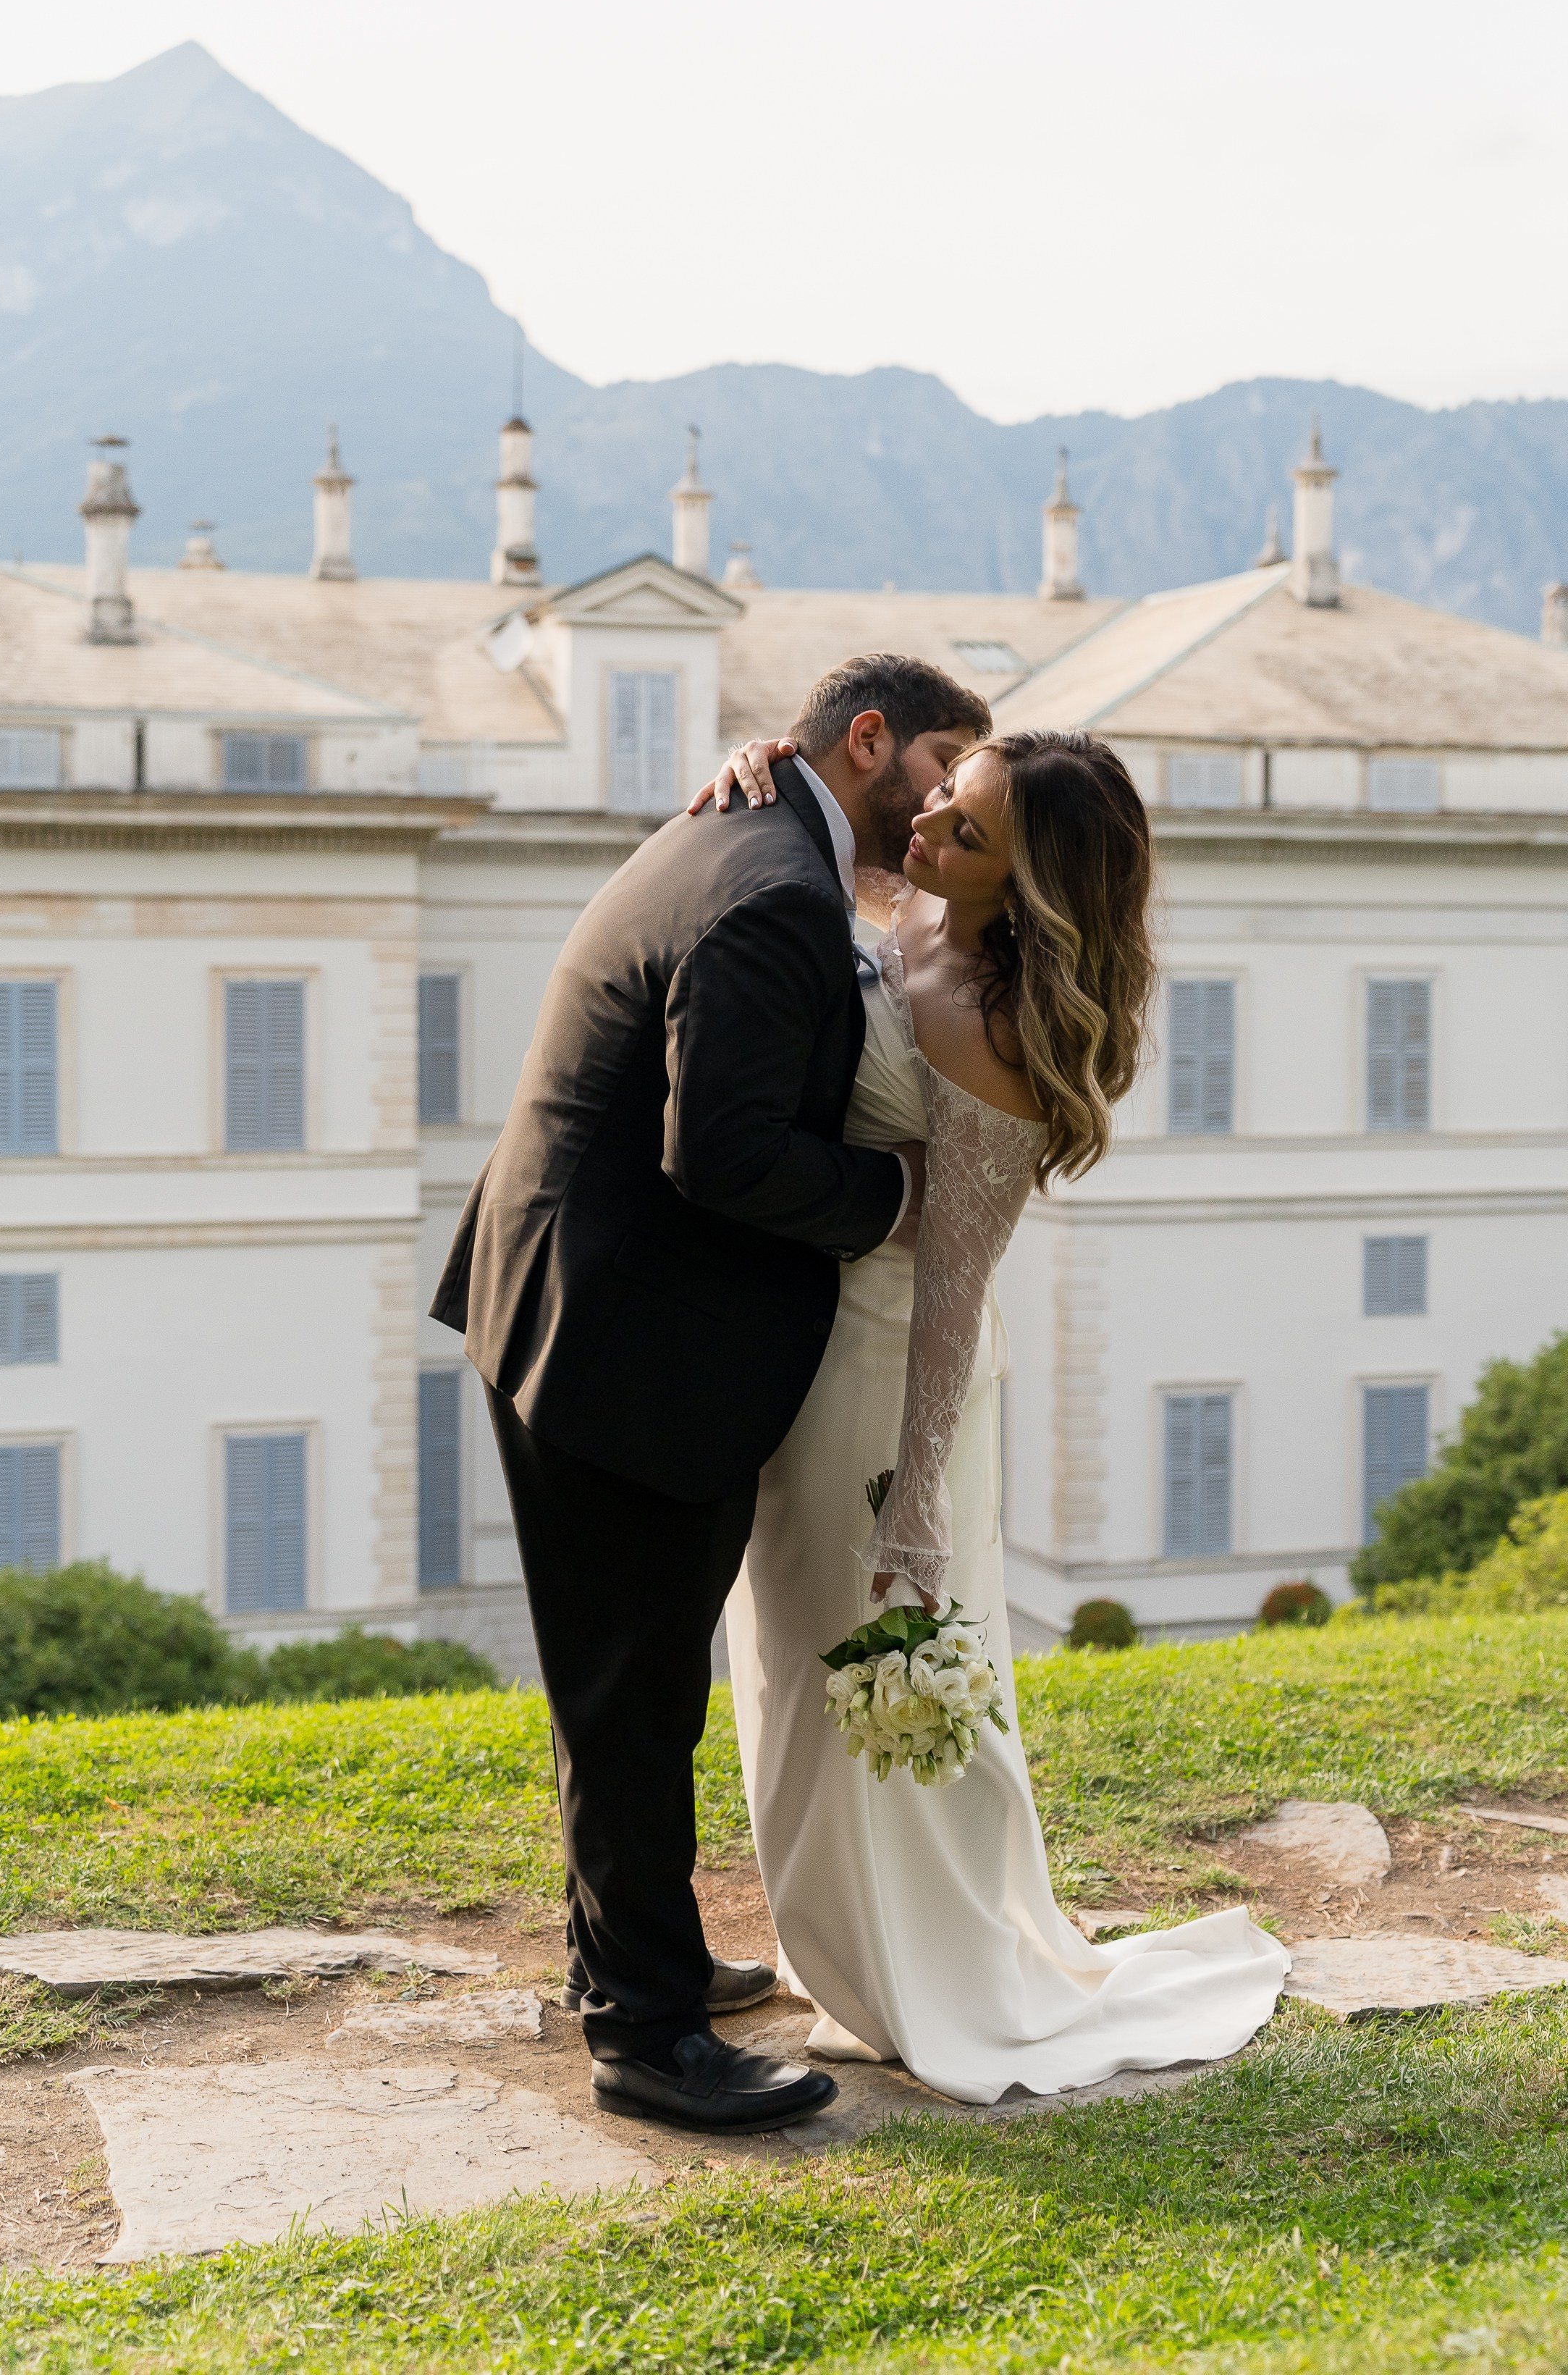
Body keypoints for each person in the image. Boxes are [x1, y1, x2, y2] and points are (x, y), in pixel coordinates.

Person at [431, 653, 992, 2131]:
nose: (949, 803)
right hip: (621, 1336)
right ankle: (645, 2036)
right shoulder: (775, 891)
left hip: (580, 1301)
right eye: (940, 766)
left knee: (623, 1680)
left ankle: (632, 1958)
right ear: (864, 742)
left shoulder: (745, 835)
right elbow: (721, 1157)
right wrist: (902, 1194)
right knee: (632, 1693)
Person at [692, 723, 1289, 2103]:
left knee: (868, 1671)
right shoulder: (905, 903)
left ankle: (923, 1970)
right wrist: (755, 767)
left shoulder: (998, 1025)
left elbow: (955, 1283)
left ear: (1026, 891)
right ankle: (838, 1940)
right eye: (944, 801)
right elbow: (826, 857)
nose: (929, 832)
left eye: (965, 835)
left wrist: (919, 1490)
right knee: (786, 1668)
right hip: (805, 1341)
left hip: (894, 1375)